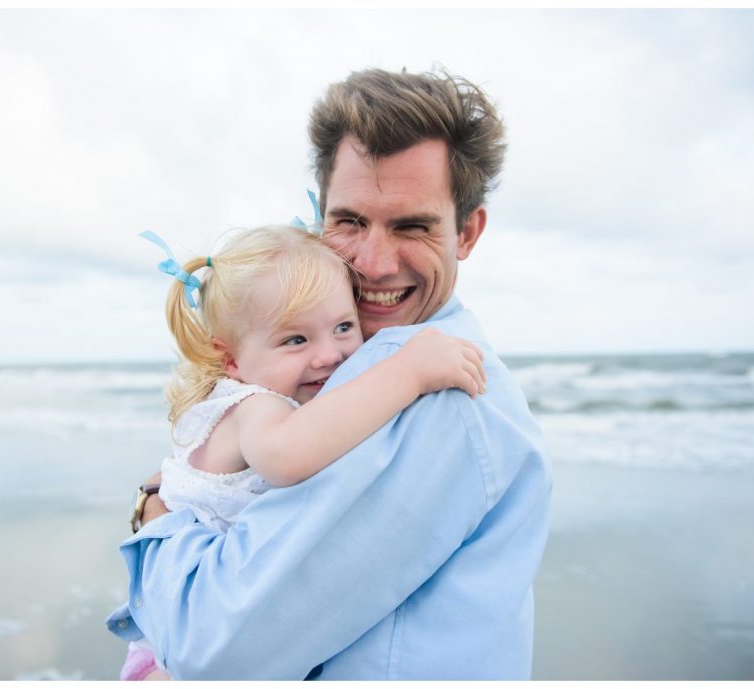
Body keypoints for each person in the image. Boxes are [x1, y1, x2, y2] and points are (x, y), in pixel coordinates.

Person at [107, 67, 552, 680]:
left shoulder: (436, 391)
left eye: (412, 226)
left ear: (467, 232)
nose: (371, 263)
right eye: (349, 221)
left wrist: (156, 511)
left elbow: (213, 647)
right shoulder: (355, 366)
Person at [119, 225, 487, 680]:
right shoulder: (255, 406)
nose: (329, 354)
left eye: (344, 327)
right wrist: (408, 373)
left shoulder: (248, 399)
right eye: (295, 340)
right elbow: (287, 456)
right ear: (230, 358)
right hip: (165, 660)